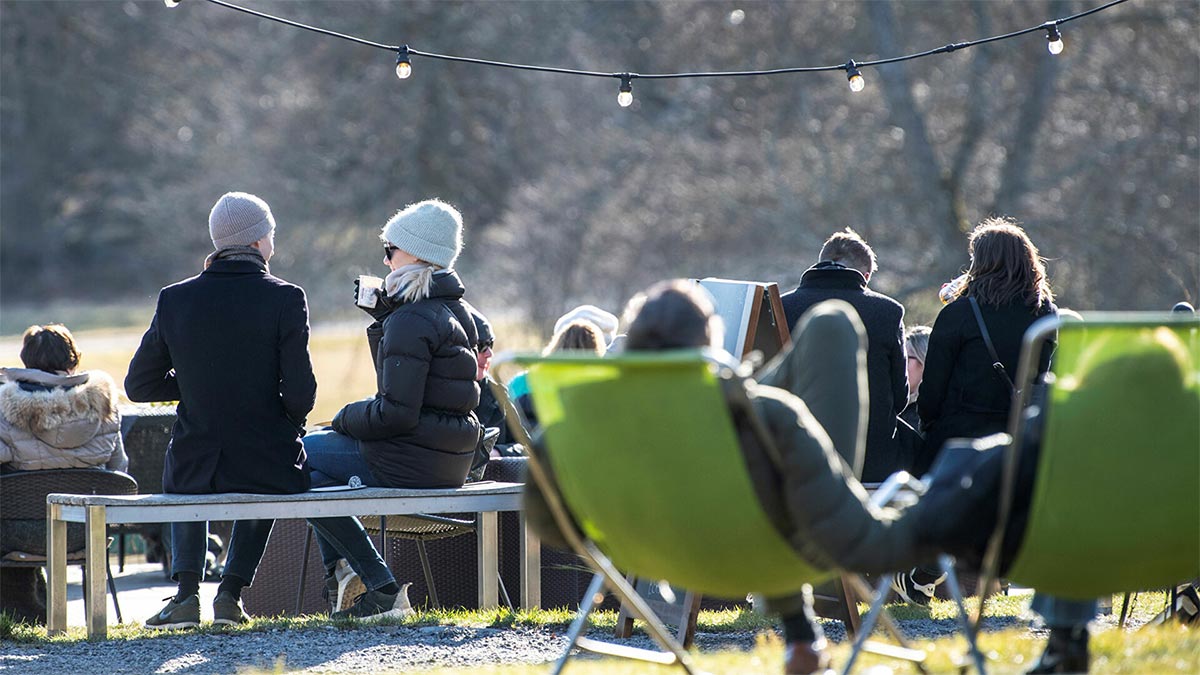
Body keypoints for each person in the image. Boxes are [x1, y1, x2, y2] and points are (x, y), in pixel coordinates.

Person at [604, 280, 1195, 674]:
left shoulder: (608, 429)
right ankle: (1064, 639)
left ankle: (1058, 637)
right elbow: (811, 516)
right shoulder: (1166, 461)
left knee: (993, 461)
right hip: (1157, 551)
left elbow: (549, 514)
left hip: (677, 546)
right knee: (1018, 462)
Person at [126, 192, 319, 628]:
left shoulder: (175, 299)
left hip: (198, 459)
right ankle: (230, 594)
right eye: (270, 234)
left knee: (183, 470)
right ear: (256, 242)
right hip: (267, 457)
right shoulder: (286, 297)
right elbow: (302, 391)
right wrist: (286, 420)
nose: (273, 241)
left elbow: (138, 385)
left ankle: (185, 596)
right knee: (270, 469)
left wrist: (195, 385)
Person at [301, 198, 480, 617]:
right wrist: (384, 322)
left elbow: (395, 412)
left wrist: (344, 417)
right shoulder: (456, 312)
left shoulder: (413, 319)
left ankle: (373, 582)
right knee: (308, 464)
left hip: (410, 456)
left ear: (416, 254)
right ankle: (350, 576)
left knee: (292, 459)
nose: (385, 262)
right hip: (447, 458)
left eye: (390, 250)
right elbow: (407, 392)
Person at [917, 217, 1058, 476]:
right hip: (1018, 440)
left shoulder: (959, 313)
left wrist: (928, 424)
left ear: (982, 262)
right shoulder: (1046, 313)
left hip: (959, 442)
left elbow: (933, 389)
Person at [778, 228, 908, 482]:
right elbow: (900, 398)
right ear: (866, 275)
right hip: (870, 461)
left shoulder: (781, 306)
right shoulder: (888, 312)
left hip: (799, 454)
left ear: (819, 263)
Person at [1, 325, 128, 473]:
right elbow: (119, 466)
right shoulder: (103, 403)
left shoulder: (5, 407)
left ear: (27, 362)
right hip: (90, 494)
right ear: (72, 361)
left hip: (24, 495)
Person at [466, 307, 525, 482]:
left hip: (492, 492)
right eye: (481, 346)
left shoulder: (497, 392)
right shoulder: (433, 391)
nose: (489, 353)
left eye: (491, 345)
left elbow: (527, 447)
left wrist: (499, 452)